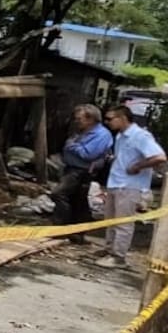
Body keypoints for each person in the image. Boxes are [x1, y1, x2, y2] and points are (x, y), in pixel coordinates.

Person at [95, 105, 167, 268]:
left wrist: (138, 166)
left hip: (130, 186)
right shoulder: (120, 136)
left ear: (122, 118)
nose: (107, 122)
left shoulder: (140, 136)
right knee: (110, 220)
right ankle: (109, 249)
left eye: (110, 119)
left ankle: (118, 257)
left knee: (123, 223)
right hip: (116, 182)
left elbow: (159, 157)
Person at [50, 104, 112, 243]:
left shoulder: (101, 135)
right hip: (71, 168)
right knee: (77, 200)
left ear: (91, 119)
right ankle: (76, 232)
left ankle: (61, 228)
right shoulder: (82, 131)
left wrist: (72, 146)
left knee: (59, 193)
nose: (77, 121)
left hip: (81, 171)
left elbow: (88, 154)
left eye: (80, 119)